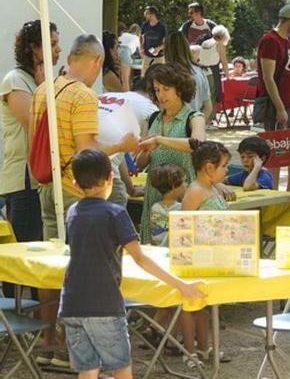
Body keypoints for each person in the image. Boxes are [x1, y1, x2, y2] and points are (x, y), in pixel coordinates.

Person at [30, 34, 139, 367]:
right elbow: (86, 152)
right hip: (76, 191)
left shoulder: (43, 89)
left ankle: (51, 340)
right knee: (80, 267)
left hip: (46, 185)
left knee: (52, 264)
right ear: (95, 61)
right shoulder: (83, 95)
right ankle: (75, 347)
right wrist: (121, 145)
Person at [60, 148, 204, 379]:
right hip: (104, 304)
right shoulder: (115, 213)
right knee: (121, 367)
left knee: (86, 369)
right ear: (110, 177)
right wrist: (181, 285)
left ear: (75, 184)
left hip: (71, 303)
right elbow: (140, 258)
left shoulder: (72, 212)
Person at [136, 64, 232, 238]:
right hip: (155, 195)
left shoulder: (194, 117)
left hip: (186, 195)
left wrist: (159, 140)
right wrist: (144, 153)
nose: (161, 95)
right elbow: (140, 163)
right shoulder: (151, 119)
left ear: (179, 89)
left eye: (166, 89)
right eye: (157, 90)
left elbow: (197, 144)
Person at [2, 21, 59, 245]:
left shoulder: (40, 82)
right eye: (52, 44)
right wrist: (46, 87)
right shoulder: (15, 80)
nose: (58, 50)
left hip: (41, 181)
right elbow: (37, 127)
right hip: (23, 182)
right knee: (25, 256)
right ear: (35, 48)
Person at [177, 141, 231, 367]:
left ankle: (204, 347)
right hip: (195, 258)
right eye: (224, 166)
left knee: (206, 306)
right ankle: (189, 352)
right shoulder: (195, 192)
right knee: (191, 306)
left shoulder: (213, 188)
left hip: (213, 257)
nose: (227, 170)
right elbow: (182, 227)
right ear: (210, 167)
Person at [255, 4, 290, 192]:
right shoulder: (270, 40)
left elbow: (289, 74)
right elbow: (268, 77)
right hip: (277, 106)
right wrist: (280, 107)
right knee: (276, 152)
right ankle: (273, 192)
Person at [163, 31, 213, 117]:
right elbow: (208, 107)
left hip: (171, 126)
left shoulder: (164, 74)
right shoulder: (199, 71)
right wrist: (197, 126)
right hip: (193, 123)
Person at [147, 163, 187, 246]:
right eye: (184, 181)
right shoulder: (181, 209)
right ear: (174, 186)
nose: (186, 185)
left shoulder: (155, 207)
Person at [197, 25, 231, 122]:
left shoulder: (205, 42)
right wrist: (228, 75)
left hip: (202, 72)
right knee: (211, 95)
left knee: (203, 96)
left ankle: (203, 118)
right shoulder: (219, 45)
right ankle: (209, 119)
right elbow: (224, 62)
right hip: (212, 73)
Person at [140, 6, 167, 73]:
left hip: (159, 57)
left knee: (160, 77)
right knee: (144, 76)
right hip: (147, 56)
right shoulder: (145, 25)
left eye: (147, 13)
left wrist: (158, 48)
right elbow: (141, 36)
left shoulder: (162, 27)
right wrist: (142, 47)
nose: (145, 14)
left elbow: (166, 42)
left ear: (153, 14)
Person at [116, 23, 134, 91]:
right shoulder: (131, 36)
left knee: (119, 80)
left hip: (120, 52)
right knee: (125, 81)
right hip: (126, 53)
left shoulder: (116, 38)